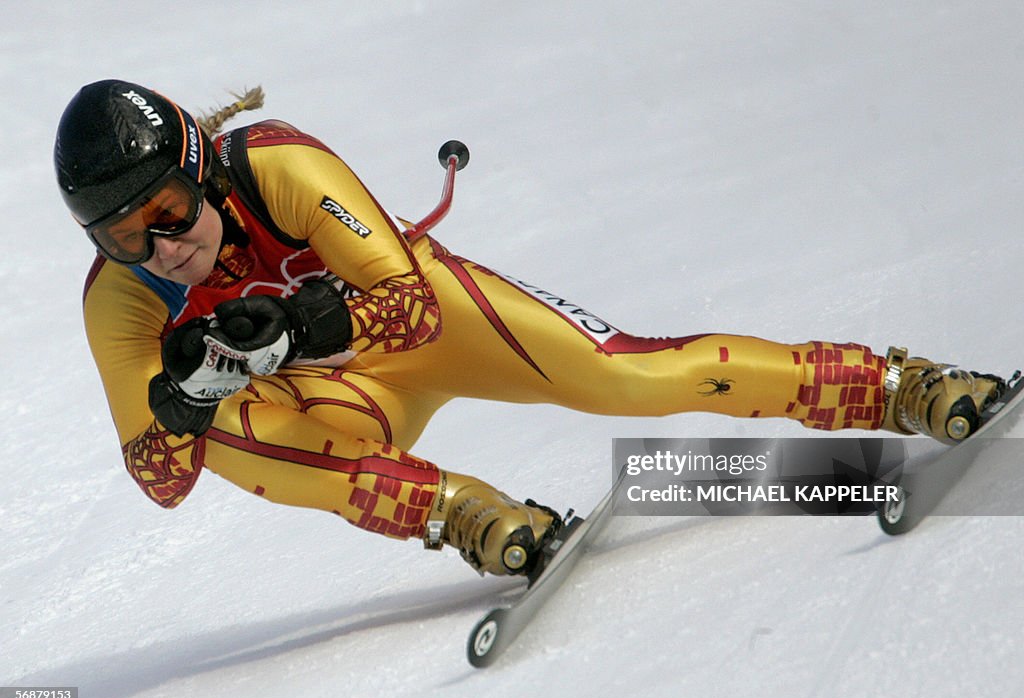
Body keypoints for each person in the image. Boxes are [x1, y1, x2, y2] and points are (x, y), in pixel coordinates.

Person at [55, 79, 1008, 577]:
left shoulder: (273, 165)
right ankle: (461, 511)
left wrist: (298, 328)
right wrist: (186, 403)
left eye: (170, 211)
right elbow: (159, 479)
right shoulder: (121, 301)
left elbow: (412, 304)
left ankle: (890, 386)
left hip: (421, 328)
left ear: (201, 169)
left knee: (626, 379)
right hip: (342, 404)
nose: (160, 247)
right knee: (221, 432)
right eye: (123, 234)